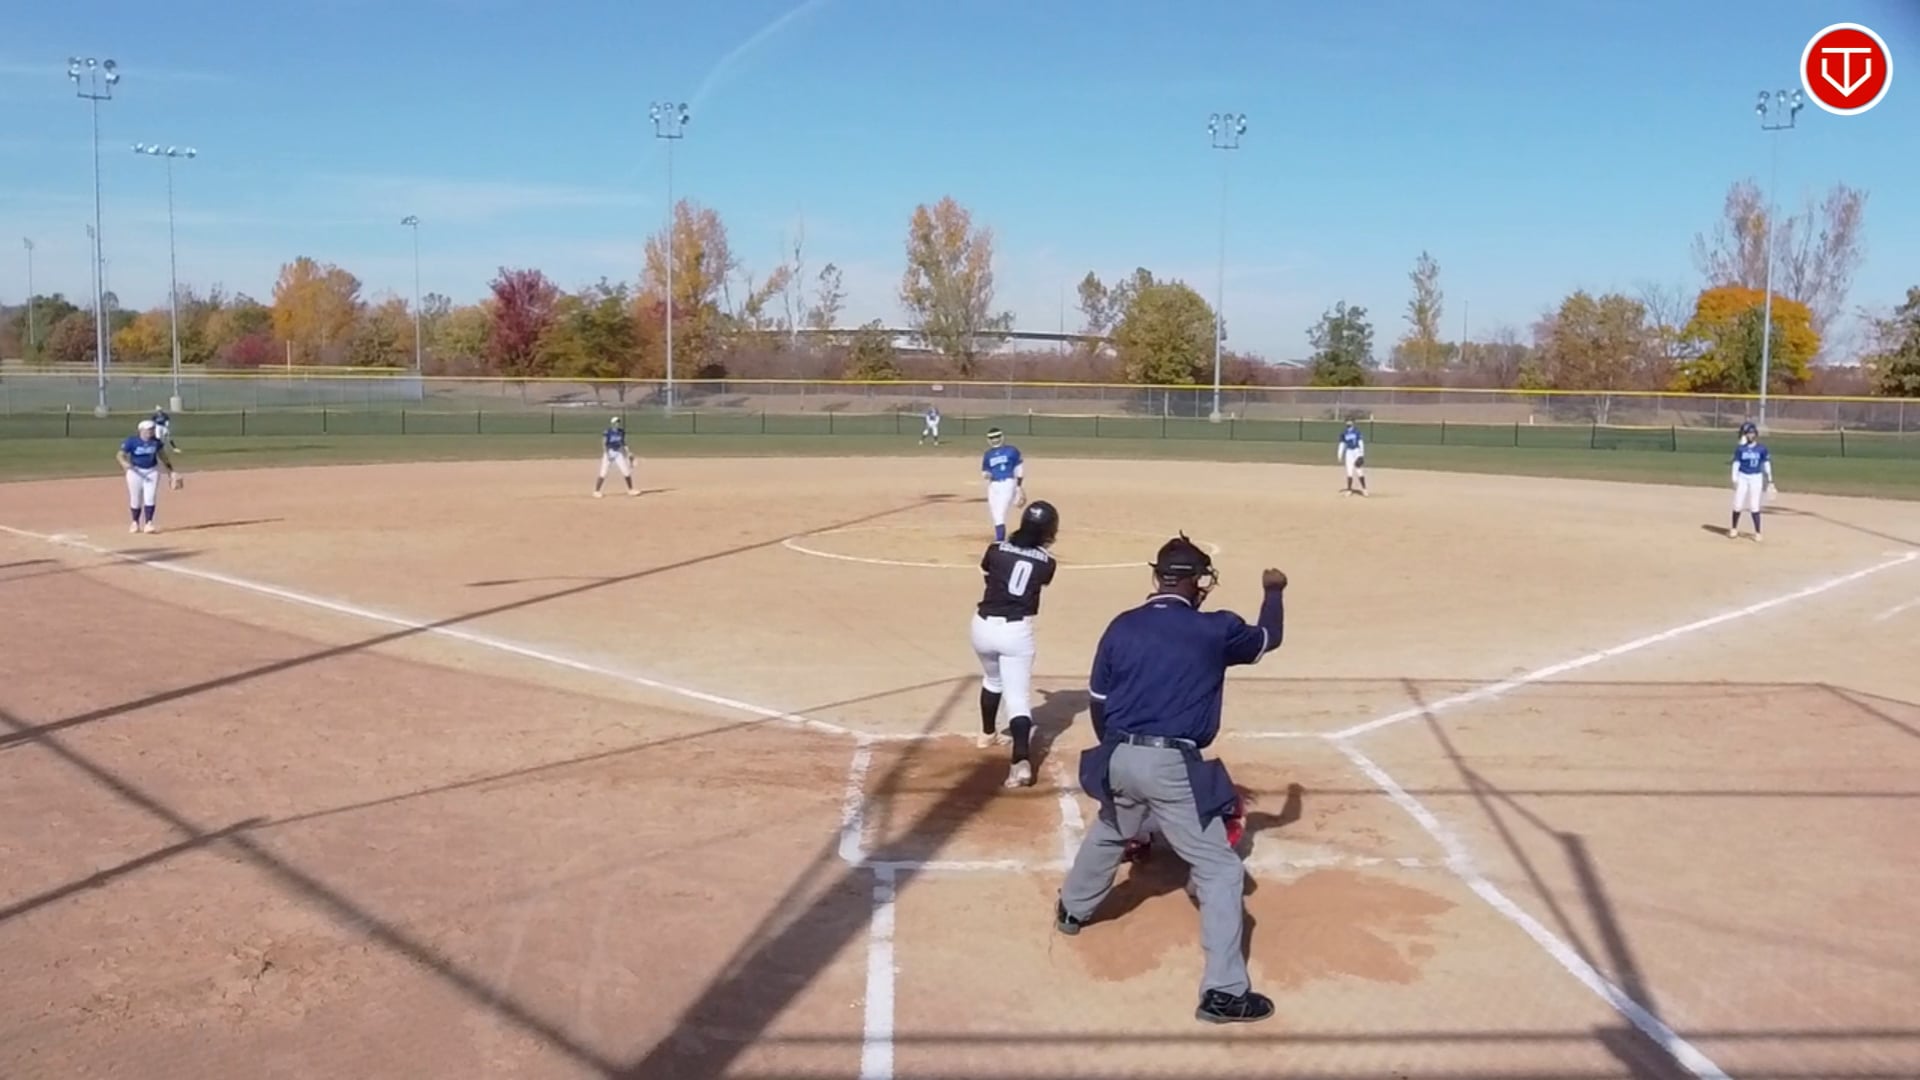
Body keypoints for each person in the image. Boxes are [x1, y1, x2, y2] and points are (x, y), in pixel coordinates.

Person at [1054, 534, 1287, 1024]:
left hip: (1118, 754)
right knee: (1220, 869)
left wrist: (1116, 752)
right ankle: (1224, 992)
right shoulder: (1215, 628)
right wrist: (1274, 591)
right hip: (1171, 764)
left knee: (1113, 828)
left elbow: (1098, 701)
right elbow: (1269, 638)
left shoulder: (1122, 625)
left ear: (1158, 577)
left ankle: (1072, 910)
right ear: (1196, 581)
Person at [970, 500, 1060, 788]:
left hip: (982, 626)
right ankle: (1020, 763)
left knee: (992, 679)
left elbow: (989, 574)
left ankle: (986, 735)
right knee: (1017, 698)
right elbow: (1036, 580)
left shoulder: (995, 549)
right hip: (1016, 631)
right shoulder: (1047, 562)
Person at [117, 419, 180, 534]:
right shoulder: (132, 441)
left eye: (152, 429)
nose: (151, 432)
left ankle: (149, 523)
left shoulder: (156, 442)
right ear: (141, 430)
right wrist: (123, 463)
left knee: (150, 497)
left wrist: (171, 471)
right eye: (148, 430)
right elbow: (120, 454)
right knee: (135, 498)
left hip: (152, 471)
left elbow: (163, 456)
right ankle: (135, 522)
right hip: (135, 472)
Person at [1728, 420, 1775, 540]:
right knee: (1737, 504)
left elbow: (1766, 464)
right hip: (1743, 476)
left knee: (1754, 505)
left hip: (1756, 477)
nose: (1750, 435)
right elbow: (1736, 464)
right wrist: (1734, 479)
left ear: (1756, 434)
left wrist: (1770, 479)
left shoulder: (1761, 449)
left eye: (1752, 433)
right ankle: (1734, 528)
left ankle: (1757, 532)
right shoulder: (1740, 449)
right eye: (1748, 433)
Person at [981, 427, 1025, 542]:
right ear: (988, 440)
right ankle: (1000, 537)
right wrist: (986, 474)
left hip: (1007, 483)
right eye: (992, 438)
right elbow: (985, 471)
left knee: (1000, 514)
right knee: (995, 513)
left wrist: (1018, 488)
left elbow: (1019, 469)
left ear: (1002, 437)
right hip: (993, 485)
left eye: (997, 437)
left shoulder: (1012, 450)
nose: (995, 440)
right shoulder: (988, 454)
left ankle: (999, 540)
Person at [594, 415, 638, 498]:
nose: (617, 424)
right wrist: (607, 454)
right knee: (603, 472)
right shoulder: (608, 432)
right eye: (616, 422)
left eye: (618, 422)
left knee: (626, 471)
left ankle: (631, 490)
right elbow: (604, 443)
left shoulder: (621, 432)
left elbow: (623, 443)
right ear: (612, 423)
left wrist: (628, 452)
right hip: (609, 452)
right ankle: (596, 491)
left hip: (618, 452)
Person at [1337, 421, 1367, 496]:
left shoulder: (1356, 432)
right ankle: (1349, 490)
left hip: (1356, 451)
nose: (1349, 424)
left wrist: (1361, 454)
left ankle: (1364, 489)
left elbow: (1360, 443)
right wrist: (1340, 454)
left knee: (1359, 470)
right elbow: (1342, 444)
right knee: (1349, 471)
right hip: (1349, 452)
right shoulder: (1344, 433)